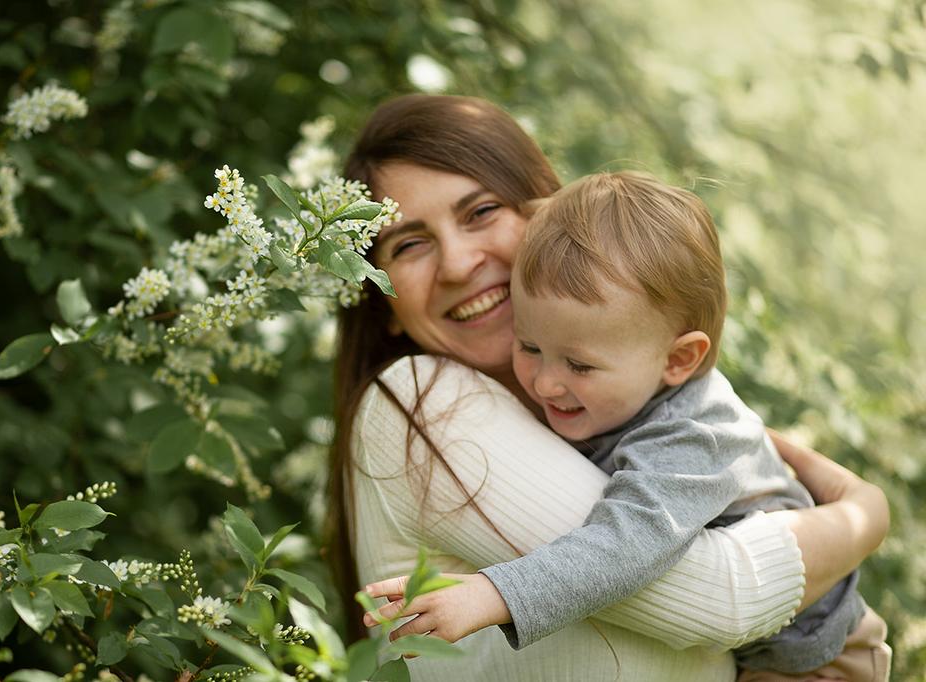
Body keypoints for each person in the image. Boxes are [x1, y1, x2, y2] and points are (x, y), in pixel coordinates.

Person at [328, 94, 890, 681]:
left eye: (481, 211)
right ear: (379, 295)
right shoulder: (423, 400)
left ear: (543, 217)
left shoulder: (661, 412)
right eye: (409, 244)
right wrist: (862, 519)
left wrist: (495, 594)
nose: (458, 262)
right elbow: (720, 597)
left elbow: (646, 549)